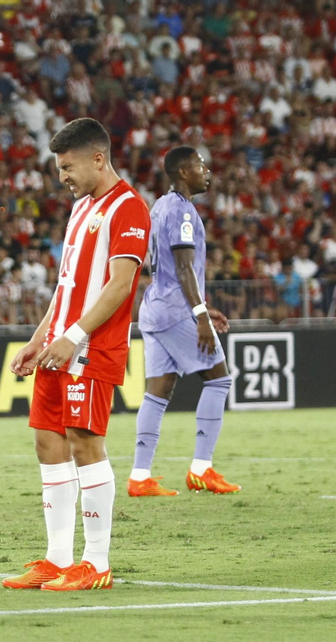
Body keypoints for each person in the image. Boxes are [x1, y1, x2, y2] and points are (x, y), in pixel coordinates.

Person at [2, 118, 150, 593]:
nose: (62, 176)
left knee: (85, 444)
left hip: (91, 349)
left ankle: (96, 562)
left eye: (67, 167)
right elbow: (66, 286)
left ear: (97, 158)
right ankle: (57, 558)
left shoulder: (128, 208)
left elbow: (121, 284)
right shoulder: (82, 206)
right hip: (60, 346)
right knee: (48, 442)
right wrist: (40, 337)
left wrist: (74, 338)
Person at [129, 146, 240, 497]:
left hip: (156, 308)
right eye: (199, 165)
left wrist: (203, 305)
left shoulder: (160, 206)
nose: (206, 170)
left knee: (158, 393)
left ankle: (139, 476)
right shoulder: (184, 211)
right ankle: (201, 469)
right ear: (182, 173)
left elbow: (163, 267)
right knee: (219, 380)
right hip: (176, 310)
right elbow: (183, 267)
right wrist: (200, 315)